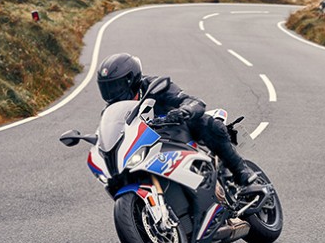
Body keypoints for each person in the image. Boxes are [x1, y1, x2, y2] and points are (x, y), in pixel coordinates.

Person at [95, 53, 258, 186]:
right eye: (107, 88)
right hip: (150, 146)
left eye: (115, 86)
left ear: (131, 80)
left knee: (206, 123)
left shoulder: (155, 87)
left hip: (178, 132)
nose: (112, 93)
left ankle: (240, 170)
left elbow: (193, 102)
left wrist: (184, 110)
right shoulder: (111, 111)